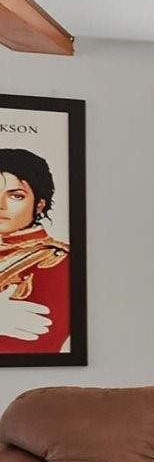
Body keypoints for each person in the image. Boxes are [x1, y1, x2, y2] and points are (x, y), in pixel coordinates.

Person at [0, 150, 70, 355]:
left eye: (16, 196)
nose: (0, 205)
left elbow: (39, 345)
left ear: (39, 205)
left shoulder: (59, 262)